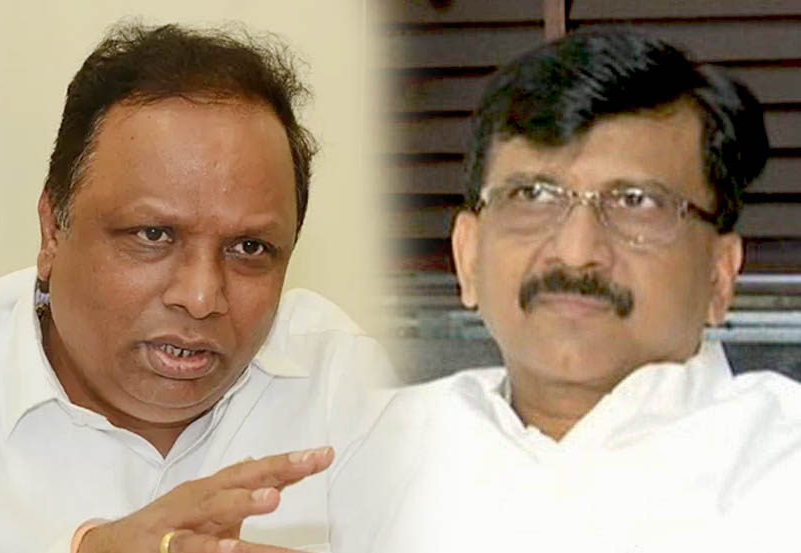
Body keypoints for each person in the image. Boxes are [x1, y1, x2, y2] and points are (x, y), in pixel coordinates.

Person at [335, 29, 801, 552]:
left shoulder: (784, 467)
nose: (577, 253)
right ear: (467, 256)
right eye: (532, 195)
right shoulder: (347, 455)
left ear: (719, 274)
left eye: (635, 202)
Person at [0, 23, 390, 553]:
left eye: (249, 248)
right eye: (153, 235)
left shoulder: (340, 381)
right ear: (53, 230)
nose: (199, 298)